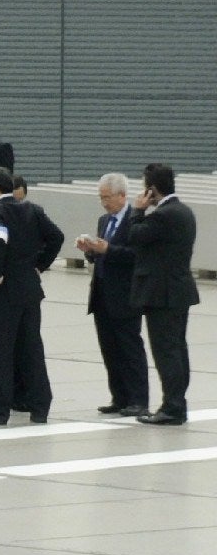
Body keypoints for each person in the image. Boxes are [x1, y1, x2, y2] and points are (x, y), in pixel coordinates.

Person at [0, 167, 64, 425]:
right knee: (32, 349)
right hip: (29, 288)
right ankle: (40, 407)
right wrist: (39, 264)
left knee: (0, 352)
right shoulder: (32, 209)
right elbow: (56, 237)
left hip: (4, 292)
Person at [125, 162, 199, 425]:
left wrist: (137, 210)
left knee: (166, 351)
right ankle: (177, 402)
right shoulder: (184, 211)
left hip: (162, 293)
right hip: (179, 290)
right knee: (177, 349)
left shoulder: (162, 215)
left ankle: (173, 406)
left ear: (152, 190)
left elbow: (134, 236)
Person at [74, 173, 148, 418]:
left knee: (129, 348)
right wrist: (91, 251)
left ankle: (138, 399)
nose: (104, 202)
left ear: (122, 196)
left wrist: (108, 249)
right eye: (101, 197)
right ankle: (119, 396)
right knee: (109, 349)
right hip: (102, 293)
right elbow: (101, 254)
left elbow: (135, 256)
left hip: (125, 295)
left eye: (107, 197)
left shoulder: (134, 221)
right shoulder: (104, 220)